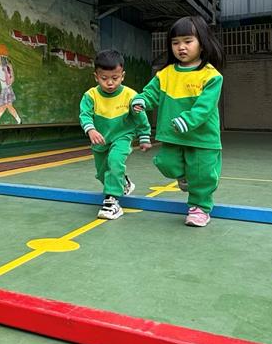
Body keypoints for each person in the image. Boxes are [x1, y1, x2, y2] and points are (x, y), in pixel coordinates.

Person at [132, 16, 224, 227]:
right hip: (173, 135)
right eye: (175, 43)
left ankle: (200, 208)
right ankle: (184, 177)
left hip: (202, 138)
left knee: (202, 175)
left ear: (202, 44)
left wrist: (188, 120)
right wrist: (141, 101)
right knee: (166, 163)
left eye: (188, 41)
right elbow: (151, 93)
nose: (181, 47)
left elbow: (205, 107)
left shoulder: (211, 76)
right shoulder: (165, 74)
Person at [79, 49, 151, 220]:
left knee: (115, 161)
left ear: (122, 76)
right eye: (104, 78)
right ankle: (124, 183)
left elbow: (140, 117)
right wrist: (91, 130)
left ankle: (111, 202)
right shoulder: (90, 96)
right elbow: (85, 115)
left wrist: (144, 136)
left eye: (115, 78)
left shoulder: (131, 96)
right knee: (102, 173)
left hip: (122, 136)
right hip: (100, 140)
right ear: (96, 77)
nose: (110, 83)